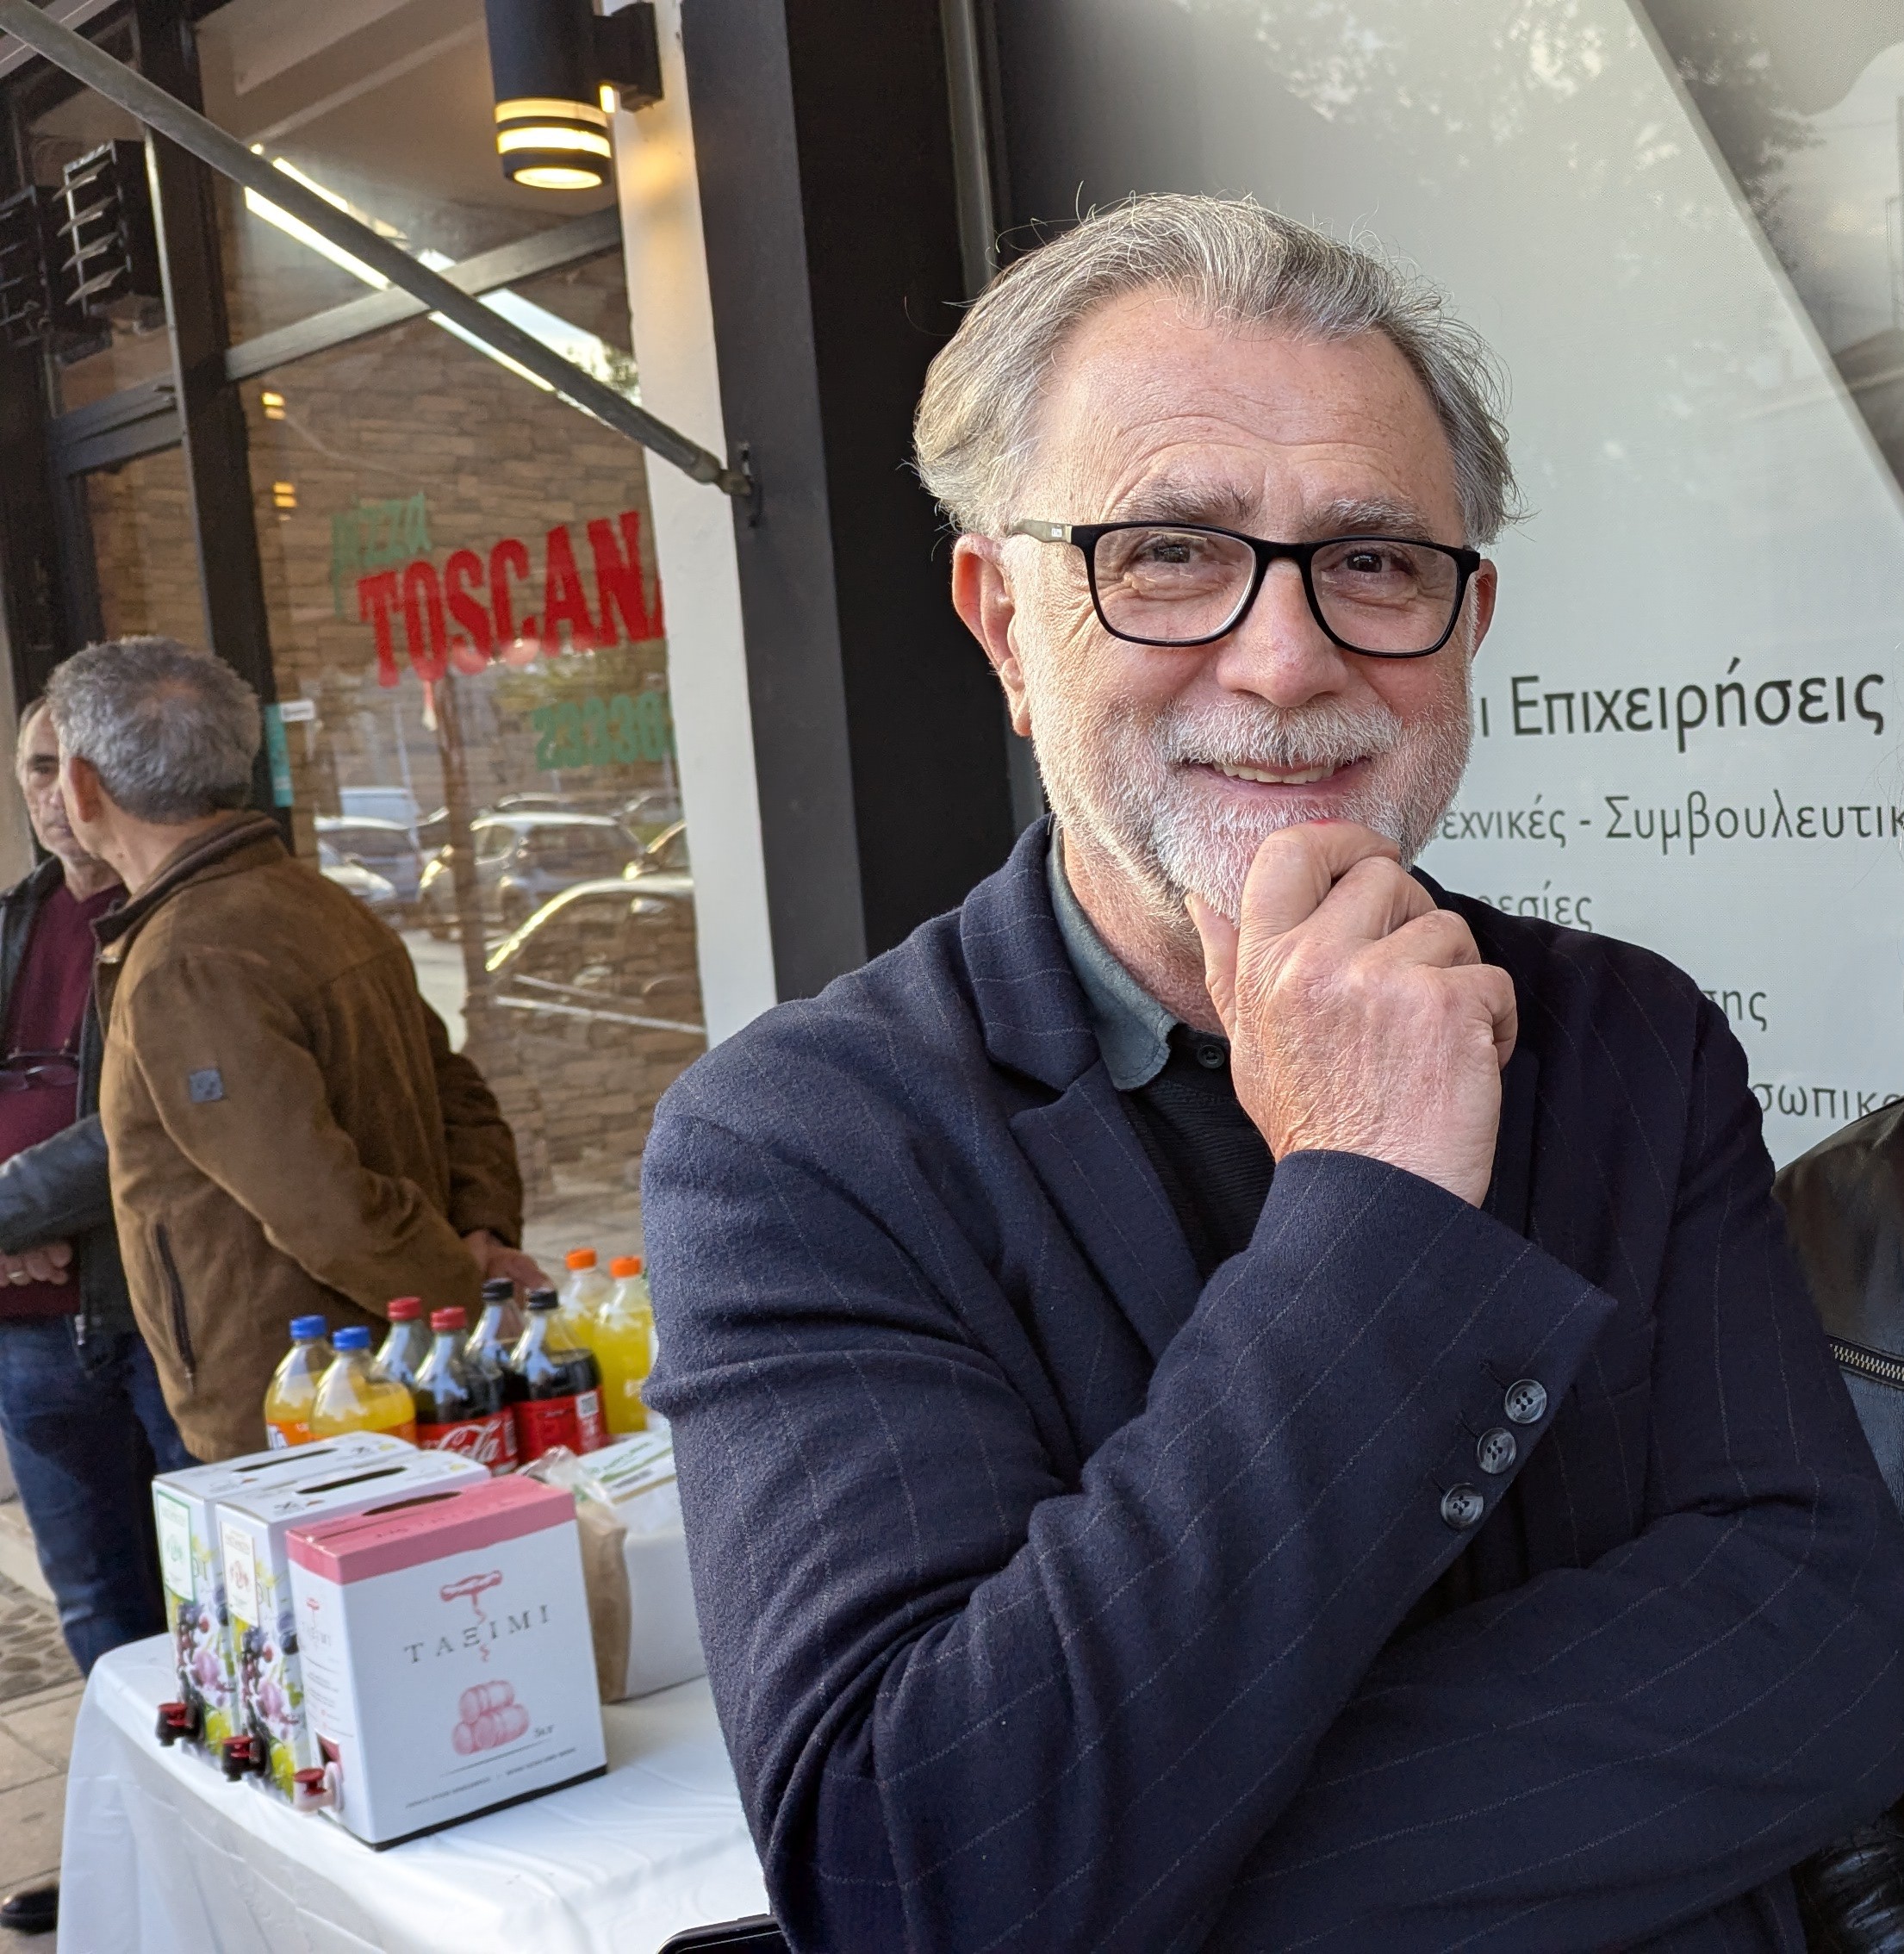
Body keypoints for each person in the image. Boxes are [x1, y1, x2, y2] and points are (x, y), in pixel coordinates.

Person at [641, 196, 1904, 1952]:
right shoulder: (806, 1148)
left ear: (1466, 625)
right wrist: (1373, 1201)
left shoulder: (1629, 1036)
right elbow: (917, 1869)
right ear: (1003, 624)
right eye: (1168, 550)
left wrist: (1155, 1872)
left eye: (1374, 559)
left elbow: (1829, 1643)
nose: (1290, 657)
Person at [43, 636, 543, 1464]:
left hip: (300, 1409)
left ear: (85, 784)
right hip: (369, 1380)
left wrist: (471, 1288)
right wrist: (480, 1238)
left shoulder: (188, 957)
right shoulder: (311, 902)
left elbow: (321, 1205)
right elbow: (460, 1097)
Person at [0, 699, 193, 1941]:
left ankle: (226, 1856)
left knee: (208, 1605)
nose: (50, 791)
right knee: (99, 1613)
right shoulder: (16, 920)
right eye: (31, 767)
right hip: (28, 1329)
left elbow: (149, 1123)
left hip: (160, 1311)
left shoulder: (179, 920)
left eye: (66, 765)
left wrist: (5, 1212)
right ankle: (136, 1857)